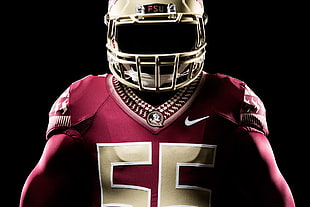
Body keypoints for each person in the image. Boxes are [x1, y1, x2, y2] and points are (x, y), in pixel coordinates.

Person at [19, 0, 295, 206]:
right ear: (112, 37)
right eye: (141, 38)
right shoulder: (83, 102)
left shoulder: (230, 101)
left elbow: (275, 197)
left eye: (173, 36)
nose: (159, 54)